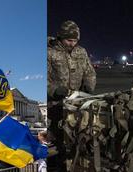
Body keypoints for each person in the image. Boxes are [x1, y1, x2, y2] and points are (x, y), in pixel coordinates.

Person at [47, 20, 96, 172]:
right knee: (57, 140)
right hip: (56, 106)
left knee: (76, 138)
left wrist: (89, 85)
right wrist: (54, 90)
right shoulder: (49, 52)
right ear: (61, 37)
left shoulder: (81, 51)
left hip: (76, 104)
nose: (72, 44)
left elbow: (90, 72)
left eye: (75, 40)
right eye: (69, 40)